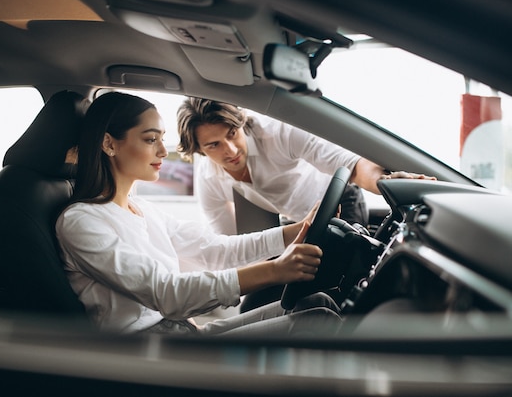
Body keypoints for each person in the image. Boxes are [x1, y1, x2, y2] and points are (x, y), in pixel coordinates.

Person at [55, 92, 341, 337]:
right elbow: (166, 293)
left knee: (318, 303)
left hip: (178, 328)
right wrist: (275, 270)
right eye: (150, 139)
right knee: (318, 320)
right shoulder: (81, 221)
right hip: (147, 348)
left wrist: (296, 231)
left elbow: (215, 249)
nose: (163, 152)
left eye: (162, 139)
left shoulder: (142, 209)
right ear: (109, 144)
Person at [176, 97, 436, 236]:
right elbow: (225, 241)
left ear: (241, 124)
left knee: (340, 275)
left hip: (338, 198)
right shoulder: (208, 178)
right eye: (214, 145)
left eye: (232, 134)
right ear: (198, 150)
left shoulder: (278, 132)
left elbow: (351, 165)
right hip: (294, 218)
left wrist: (383, 183)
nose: (230, 151)